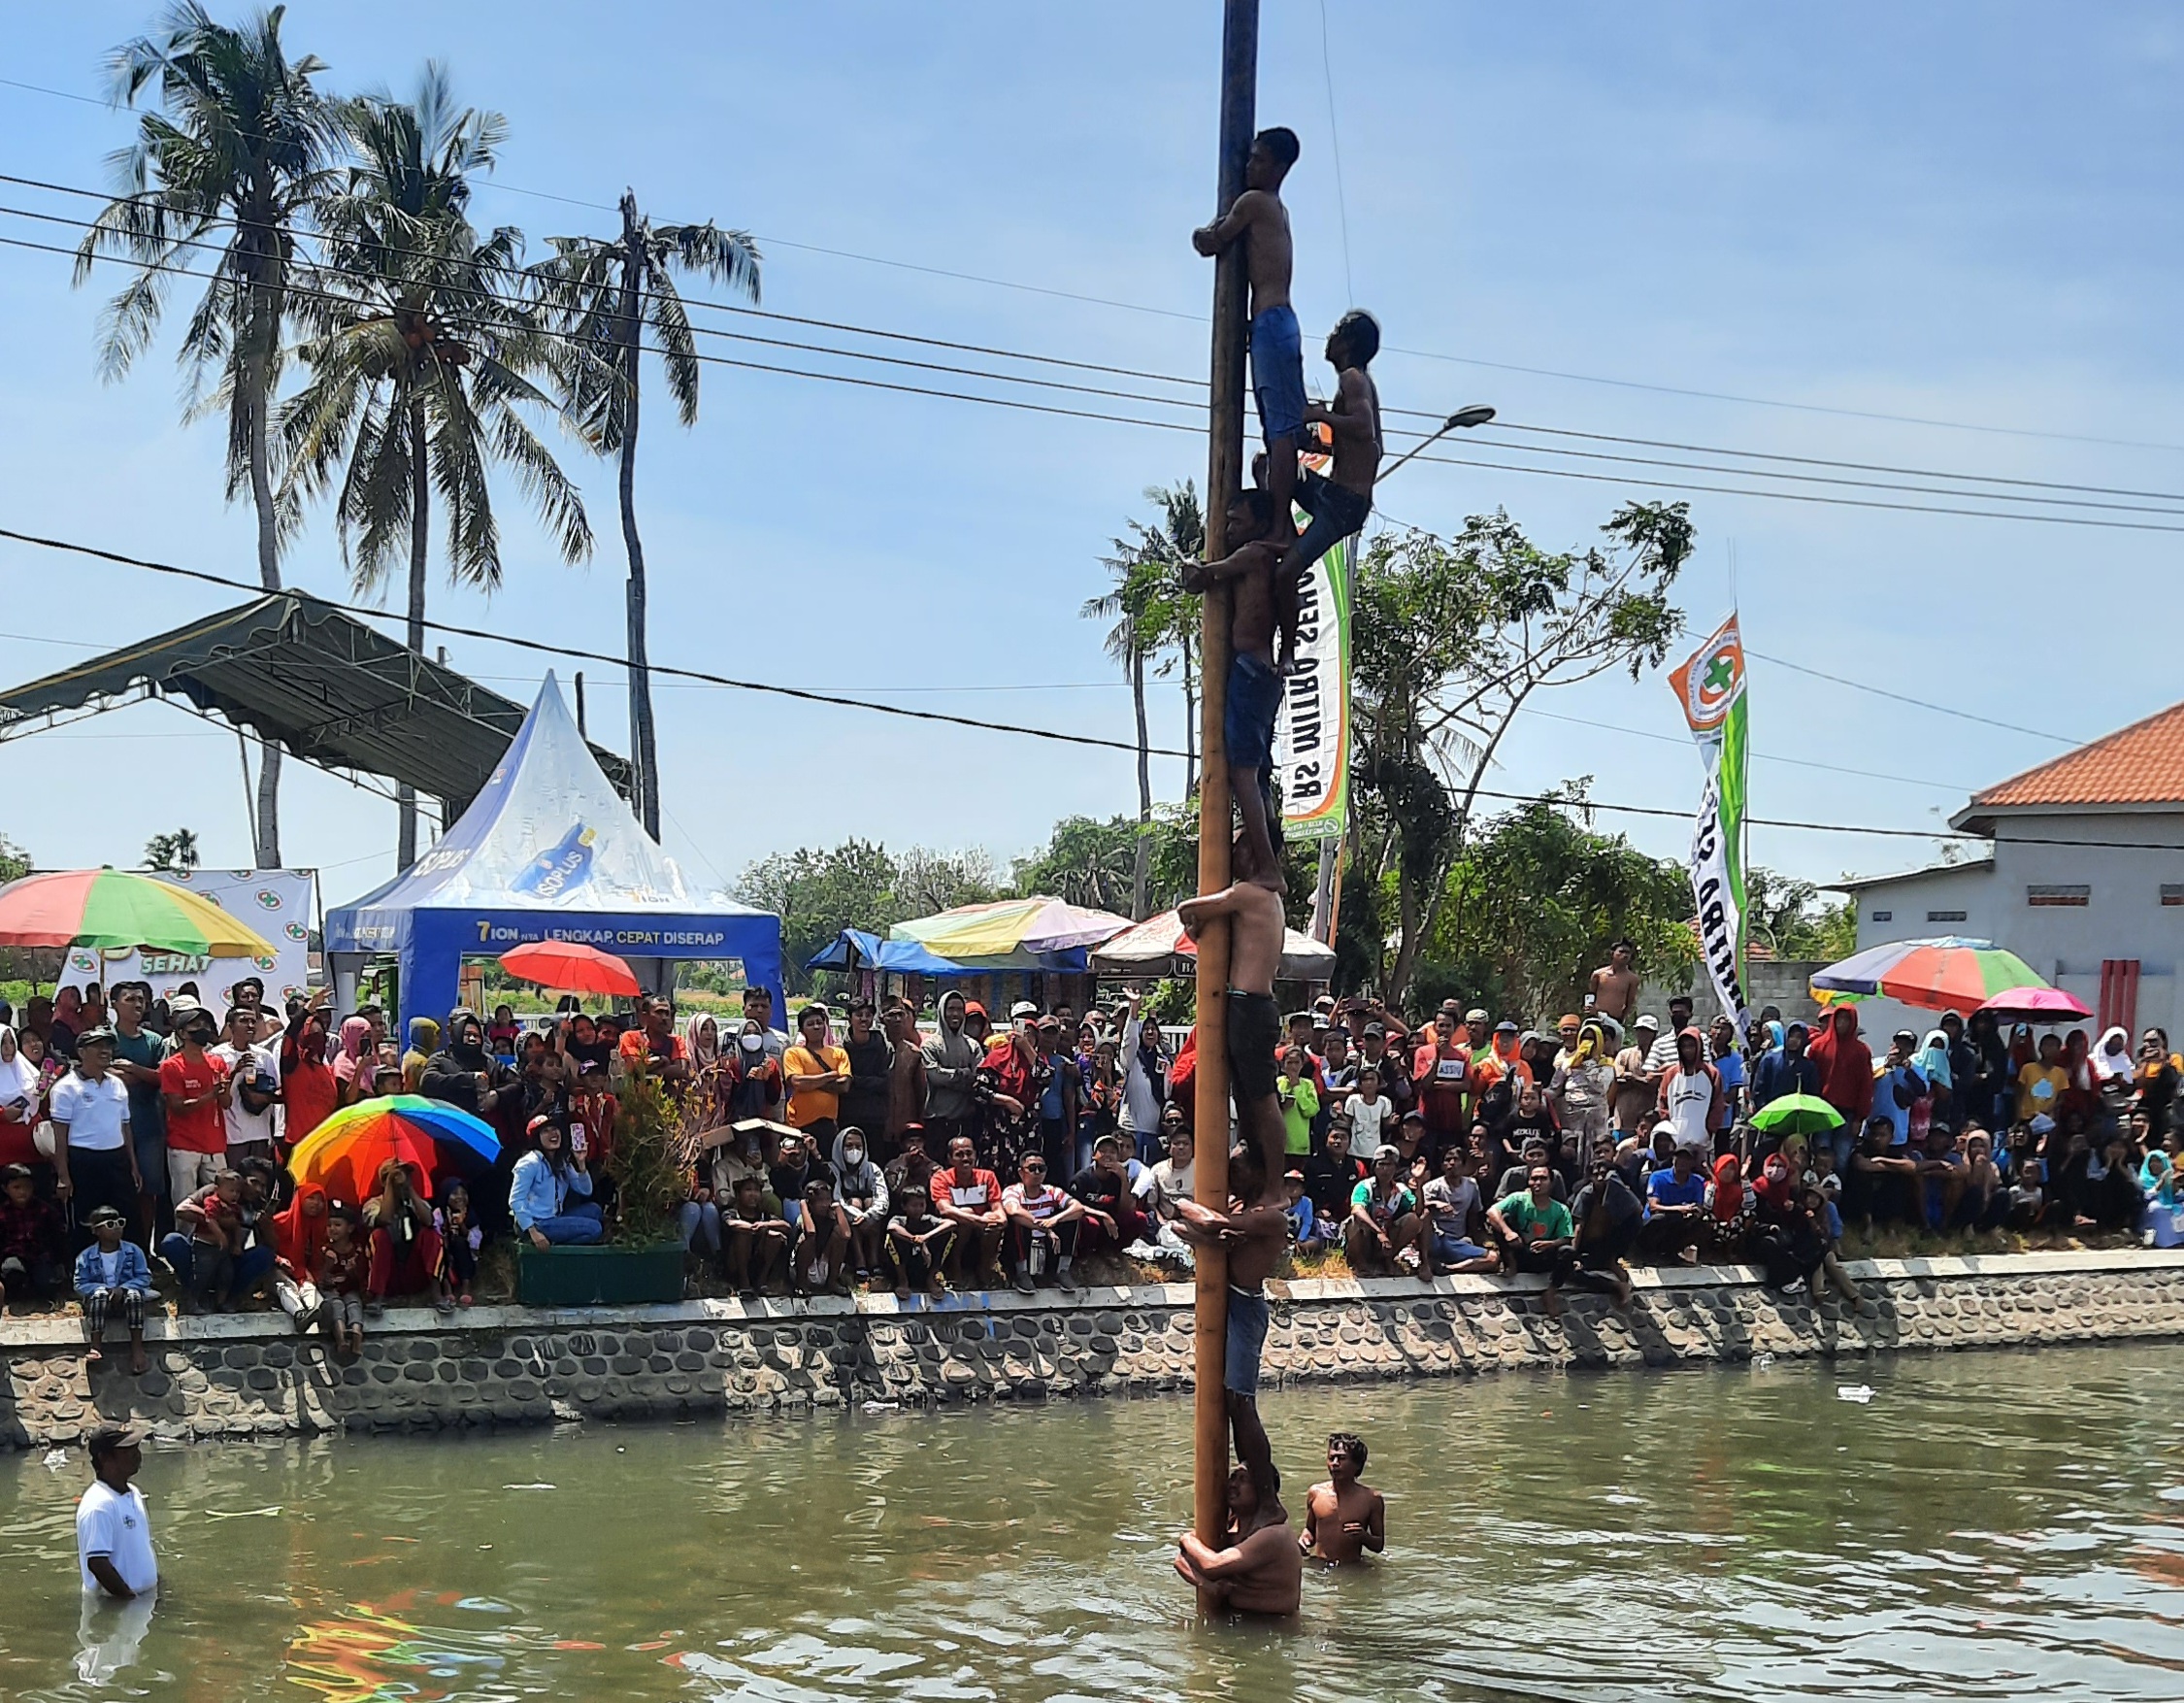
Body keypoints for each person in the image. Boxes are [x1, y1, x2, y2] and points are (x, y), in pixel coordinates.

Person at [1191, 122, 1304, 547]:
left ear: (1277, 166)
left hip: (1272, 323)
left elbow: (1213, 240)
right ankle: (1280, 520)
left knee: (1279, 431)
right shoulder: (1276, 208)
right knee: (1278, 428)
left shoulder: (1255, 202)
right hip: (1276, 324)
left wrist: (1200, 235)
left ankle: (1278, 525)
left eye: (1257, 158)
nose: (1249, 165)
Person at [1171, 1140, 1290, 1503]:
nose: (1229, 1176)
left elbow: (1207, 1222)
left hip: (1245, 1306)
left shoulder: (1270, 1215)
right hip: (1226, 1302)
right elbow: (1186, 1230)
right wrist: (1209, 1234)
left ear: (1257, 1172)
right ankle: (1247, 1487)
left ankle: (1267, 1497)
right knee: (1226, 1400)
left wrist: (1183, 1203)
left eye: (1237, 1168)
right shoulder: (1243, 1208)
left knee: (1241, 1401)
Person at [1184, 487, 1290, 884]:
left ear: (1259, 524)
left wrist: (1195, 570)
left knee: (1241, 770)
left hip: (1249, 671)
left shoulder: (1254, 554)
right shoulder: (1269, 557)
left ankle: (1267, 865)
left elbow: (1204, 578)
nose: (1228, 530)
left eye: (1236, 522)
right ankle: (1267, 856)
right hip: (1259, 673)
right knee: (1257, 772)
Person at [1179, 859, 1290, 1204]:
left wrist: (1198, 918)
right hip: (1248, 1004)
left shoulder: (1249, 892)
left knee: (1261, 1098)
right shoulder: (1265, 899)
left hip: (1251, 1006)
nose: (1236, 855)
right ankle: (1259, 1184)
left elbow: (1186, 908)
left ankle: (1275, 1187)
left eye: (1243, 847)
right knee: (1246, 1100)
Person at [1285, 309, 1383, 603]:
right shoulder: (1361, 383)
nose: (1330, 337)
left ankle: (1288, 646)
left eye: (1337, 331)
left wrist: (1320, 414)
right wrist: (1322, 445)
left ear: (1348, 343)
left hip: (1343, 503)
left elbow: (1363, 427)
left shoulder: (1352, 378)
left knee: (1286, 573)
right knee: (1267, 464)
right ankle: (1285, 536)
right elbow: (1372, 448)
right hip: (1336, 494)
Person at [1175, 1464, 1304, 1618]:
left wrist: (1186, 1538)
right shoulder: (1230, 1526)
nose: (1233, 1485)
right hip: (1235, 1621)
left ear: (1263, 1491)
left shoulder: (1274, 1535)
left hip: (1272, 1628)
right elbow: (1181, 1559)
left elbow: (1211, 1564)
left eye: (1243, 1479)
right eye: (1233, 1477)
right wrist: (1207, 1585)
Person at [51, 1029, 140, 1252]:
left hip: (117, 1158)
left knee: (125, 1213)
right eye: (98, 1046)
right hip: (83, 1160)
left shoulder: (117, 1084)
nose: (105, 1051)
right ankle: (87, 1268)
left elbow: (125, 1126)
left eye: (108, 1046)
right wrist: (63, 1175)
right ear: (81, 1051)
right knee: (87, 1217)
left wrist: (133, 1166)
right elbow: (59, 1134)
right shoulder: (65, 1088)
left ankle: (130, 1266)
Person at [107, 985, 167, 1246]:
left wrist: (132, 1069)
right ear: (114, 1003)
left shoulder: (155, 1041)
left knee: (149, 1191)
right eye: (130, 999)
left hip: (149, 1127)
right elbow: (105, 1075)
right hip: (111, 1129)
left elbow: (163, 1077)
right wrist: (144, 1075)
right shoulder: (105, 1038)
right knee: (117, 1190)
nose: (137, 1004)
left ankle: (144, 1247)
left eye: (141, 999)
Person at [78, 1421, 157, 1602]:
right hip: (117, 1607)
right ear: (104, 1458)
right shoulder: (99, 1504)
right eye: (127, 1450)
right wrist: (129, 1599)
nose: (136, 1455)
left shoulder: (134, 1493)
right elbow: (98, 1563)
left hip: (143, 1602)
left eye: (136, 1448)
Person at [73, 1204, 152, 1373]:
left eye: (120, 1223)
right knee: (100, 1294)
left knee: (134, 1295)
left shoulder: (133, 1251)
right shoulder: (86, 1256)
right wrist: (102, 1289)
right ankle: (96, 1346)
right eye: (110, 1225)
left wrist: (123, 1289)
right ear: (96, 1231)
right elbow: (80, 1284)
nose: (116, 1228)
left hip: (124, 1302)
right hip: (99, 1303)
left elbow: (144, 1277)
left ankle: (137, 1348)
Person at [1001, 1150, 1089, 1293]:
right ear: (1021, 1172)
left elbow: (1078, 1208)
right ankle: (1021, 1273)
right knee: (1017, 1222)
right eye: (1032, 1168)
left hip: (1049, 1246)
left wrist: (1055, 1220)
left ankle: (1062, 1271)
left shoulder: (1052, 1191)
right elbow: (1013, 1211)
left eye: (1041, 1169)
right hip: (1023, 1247)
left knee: (1072, 1218)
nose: (1037, 1173)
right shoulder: (1013, 1191)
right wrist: (1045, 1228)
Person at [363, 1159, 445, 1313]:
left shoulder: (415, 1202)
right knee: (379, 1235)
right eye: (392, 1176)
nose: (398, 1179)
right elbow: (384, 1219)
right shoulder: (373, 1204)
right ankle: (377, 1296)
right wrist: (390, 1186)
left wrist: (409, 1189)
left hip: (414, 1270)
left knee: (431, 1234)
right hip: (388, 1275)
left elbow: (428, 1220)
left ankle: (436, 1293)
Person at [510, 1119, 602, 1250]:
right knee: (595, 1229)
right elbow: (515, 1200)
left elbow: (585, 1191)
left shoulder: (561, 1161)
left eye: (555, 1129)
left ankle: (556, 1240)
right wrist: (533, 1232)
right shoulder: (530, 1163)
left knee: (595, 1210)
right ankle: (555, 1249)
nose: (552, 1134)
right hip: (537, 1223)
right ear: (537, 1138)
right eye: (546, 1131)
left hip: (554, 1218)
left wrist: (581, 1164)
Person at [1567, 1149, 1641, 1305]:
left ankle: (1611, 1260)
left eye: (1604, 1173)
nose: (1600, 1177)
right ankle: (1616, 1286)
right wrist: (1573, 1254)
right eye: (1596, 1174)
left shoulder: (1617, 1192)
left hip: (1606, 1243)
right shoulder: (1586, 1194)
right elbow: (1578, 1227)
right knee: (1573, 1272)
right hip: (1584, 1245)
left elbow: (1636, 1211)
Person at [932, 1133, 1006, 1287]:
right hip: (954, 1230)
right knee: (966, 1214)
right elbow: (944, 1209)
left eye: (969, 1153)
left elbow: (998, 1208)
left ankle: (984, 1269)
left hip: (981, 1229)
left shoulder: (988, 1176)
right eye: (959, 1155)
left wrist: (999, 1220)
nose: (965, 1158)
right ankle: (954, 1268)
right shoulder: (941, 1178)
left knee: (992, 1218)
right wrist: (977, 1220)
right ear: (950, 1159)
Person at [210, 1005, 280, 1168]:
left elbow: (275, 1091)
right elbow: (219, 1097)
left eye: (253, 1021)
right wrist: (235, 1071)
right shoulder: (217, 1055)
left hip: (260, 1134)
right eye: (244, 1021)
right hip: (232, 1135)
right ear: (230, 1026)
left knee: (260, 1183)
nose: (250, 1025)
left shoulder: (264, 1055)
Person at [1300, 1431, 1384, 1564]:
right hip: (1319, 1566)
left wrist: (1364, 1536)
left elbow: (1379, 1545)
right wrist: (1303, 1541)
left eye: (1341, 1458)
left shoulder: (1371, 1499)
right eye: (1331, 1458)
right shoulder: (1316, 1493)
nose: (1335, 1463)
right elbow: (1309, 1530)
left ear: (1357, 1464)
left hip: (1352, 1568)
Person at [1346, 1143, 1427, 1276]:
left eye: (1389, 1165)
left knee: (1413, 1220)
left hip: (1388, 1239)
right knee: (1354, 1221)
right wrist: (1378, 1232)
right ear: (1374, 1167)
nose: (1385, 1169)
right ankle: (1360, 1264)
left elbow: (1418, 1212)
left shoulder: (1401, 1190)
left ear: (1396, 1168)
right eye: (1381, 1164)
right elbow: (1357, 1210)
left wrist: (1418, 1186)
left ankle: (1387, 1259)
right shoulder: (1365, 1186)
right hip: (1366, 1238)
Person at [1420, 1144, 1496, 1274]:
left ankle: (1447, 1268)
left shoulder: (1471, 1185)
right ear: (1442, 1165)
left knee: (1493, 1258)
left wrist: (1476, 1240)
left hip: (1456, 1241)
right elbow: (1420, 1211)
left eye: (1456, 1160)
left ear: (1464, 1164)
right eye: (1447, 1160)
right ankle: (1425, 1262)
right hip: (1435, 1239)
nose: (1452, 1163)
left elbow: (1473, 1215)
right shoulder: (1432, 1187)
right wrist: (1435, 1204)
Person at [921, 990, 983, 1149]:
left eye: (959, 1009)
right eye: (950, 1009)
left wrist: (952, 1077)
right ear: (942, 1011)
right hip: (938, 1121)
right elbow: (935, 1076)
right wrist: (963, 1074)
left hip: (966, 1120)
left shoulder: (972, 1045)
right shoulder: (931, 1044)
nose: (955, 1014)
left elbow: (979, 1078)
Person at [782, 1006, 849, 1147]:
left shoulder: (838, 1053)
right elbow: (797, 1082)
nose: (816, 1027)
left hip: (828, 1124)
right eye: (810, 1024)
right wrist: (830, 1075)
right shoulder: (793, 1053)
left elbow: (844, 1085)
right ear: (801, 1030)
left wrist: (810, 1082)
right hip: (799, 1124)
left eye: (820, 1022)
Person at [0, 1160, 66, 1304]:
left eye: (27, 1187)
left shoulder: (45, 1210)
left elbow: (57, 1237)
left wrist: (59, 1262)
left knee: (47, 1285)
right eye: (16, 1187)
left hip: (40, 1255)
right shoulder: (3, 1213)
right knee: (12, 1274)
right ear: (6, 1189)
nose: (22, 1192)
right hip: (14, 1256)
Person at [830, 1125, 890, 1283]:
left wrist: (868, 1216)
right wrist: (858, 1216)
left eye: (858, 1146)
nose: (854, 1151)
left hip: (870, 1217)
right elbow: (836, 1199)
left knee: (871, 1202)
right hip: (846, 1216)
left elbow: (883, 1199)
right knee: (855, 1202)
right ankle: (860, 1260)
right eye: (848, 1146)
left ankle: (874, 1259)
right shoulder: (833, 1169)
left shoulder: (872, 1168)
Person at [271, 1181, 329, 1334]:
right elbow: (267, 1249)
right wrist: (279, 1260)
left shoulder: (324, 1227)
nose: (316, 1204)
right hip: (281, 1269)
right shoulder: (280, 1221)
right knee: (285, 1286)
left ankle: (312, 1311)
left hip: (305, 1273)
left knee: (308, 1287)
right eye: (311, 1198)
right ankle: (300, 1314)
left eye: (321, 1200)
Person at [1657, 1029, 1724, 1161]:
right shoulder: (1670, 1074)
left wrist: (1709, 1130)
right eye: (1684, 1046)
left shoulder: (1712, 1074)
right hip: (1675, 1141)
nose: (1688, 1050)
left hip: (1702, 1142)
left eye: (1691, 1046)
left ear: (1699, 1046)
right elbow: (1663, 1103)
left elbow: (1717, 1105)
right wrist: (1668, 1128)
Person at [721, 1173, 790, 1299]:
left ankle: (762, 1281)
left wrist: (765, 1225)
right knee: (743, 1234)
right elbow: (731, 1223)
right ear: (738, 1194)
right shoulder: (732, 1212)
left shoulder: (763, 1216)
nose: (753, 1194)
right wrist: (754, 1228)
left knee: (774, 1236)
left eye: (756, 1190)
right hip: (734, 1265)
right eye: (748, 1190)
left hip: (757, 1262)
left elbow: (786, 1226)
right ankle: (744, 1283)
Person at [1640, 1144, 1709, 1261]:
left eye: (1686, 1159)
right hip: (1656, 1221)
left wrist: (1694, 1211)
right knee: (1660, 1219)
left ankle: (1676, 1252)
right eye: (1679, 1157)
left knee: (1700, 1223)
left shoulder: (1698, 1181)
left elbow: (1699, 1206)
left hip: (1680, 1222)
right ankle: (1649, 1254)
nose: (1682, 1161)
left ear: (1692, 1163)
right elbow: (1653, 1207)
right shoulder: (1657, 1177)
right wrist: (1679, 1209)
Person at [317, 1202, 367, 1357]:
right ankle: (341, 1340)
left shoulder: (357, 1250)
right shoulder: (325, 1250)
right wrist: (327, 1266)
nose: (332, 1229)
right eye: (329, 1225)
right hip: (331, 1289)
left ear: (350, 1228)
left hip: (350, 1288)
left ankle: (357, 1334)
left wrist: (353, 1271)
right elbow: (321, 1278)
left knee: (354, 1304)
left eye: (338, 1225)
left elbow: (361, 1276)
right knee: (336, 1306)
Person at [885, 1182, 951, 1298]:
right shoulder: (899, 1219)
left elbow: (951, 1223)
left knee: (948, 1235)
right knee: (892, 1239)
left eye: (921, 1205)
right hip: (903, 1263)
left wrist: (925, 1238)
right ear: (904, 1206)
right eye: (914, 1205)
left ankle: (931, 1278)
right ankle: (903, 1281)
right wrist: (915, 1240)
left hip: (924, 1264)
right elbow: (892, 1228)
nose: (918, 1209)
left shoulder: (928, 1219)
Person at [793, 1175, 854, 1296]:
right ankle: (801, 1284)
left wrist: (838, 1209)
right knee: (807, 1240)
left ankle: (833, 1282)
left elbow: (846, 1235)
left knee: (838, 1236)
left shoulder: (831, 1218)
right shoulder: (804, 1218)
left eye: (827, 1200)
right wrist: (803, 1206)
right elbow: (811, 1232)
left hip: (824, 1265)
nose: (824, 1205)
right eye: (820, 1201)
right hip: (806, 1267)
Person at [880, 1002, 929, 1151]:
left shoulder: (913, 1054)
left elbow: (922, 1094)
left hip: (905, 1128)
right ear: (882, 1019)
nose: (897, 1019)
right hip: (877, 1124)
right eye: (892, 1015)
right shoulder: (876, 1049)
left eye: (900, 1015)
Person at [1751, 1020, 1821, 1111]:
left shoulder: (1808, 1066)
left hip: (1796, 1114)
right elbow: (1759, 1089)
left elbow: (1812, 1094)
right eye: (1791, 1036)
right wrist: (1763, 1108)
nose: (1793, 1040)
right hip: (1771, 1111)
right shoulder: (1770, 1060)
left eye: (1798, 1037)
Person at [1588, 939, 1640, 1028]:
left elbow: (1629, 1002)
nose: (1625, 955)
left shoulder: (1632, 979)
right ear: (1612, 953)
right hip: (1596, 1018)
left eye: (1627, 953)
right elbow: (1591, 995)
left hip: (1615, 1020)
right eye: (1621, 952)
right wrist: (1590, 1010)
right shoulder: (1598, 974)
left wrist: (1621, 1019)